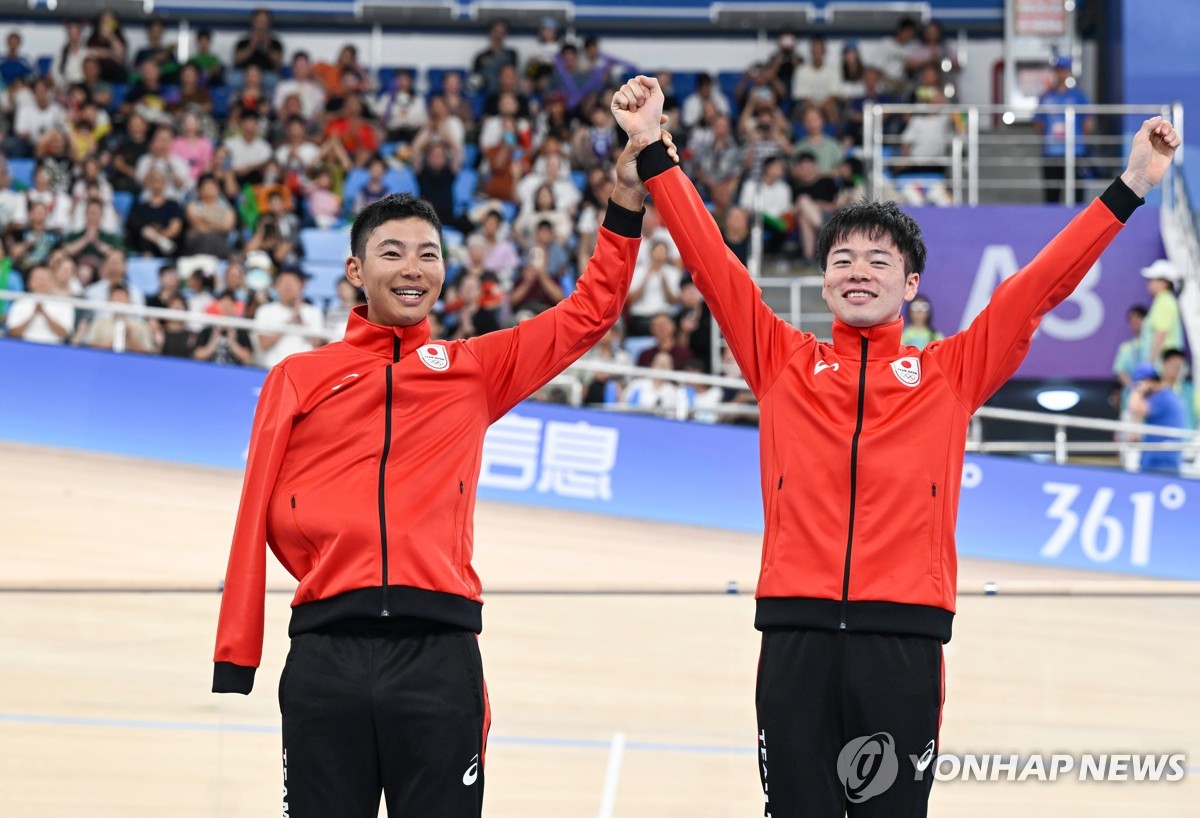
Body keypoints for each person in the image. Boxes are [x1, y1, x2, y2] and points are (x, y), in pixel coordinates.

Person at [611, 74, 1178, 817]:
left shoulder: (948, 373)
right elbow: (715, 268)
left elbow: (1036, 287)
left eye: (880, 261)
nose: (858, 271)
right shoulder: (785, 361)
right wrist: (652, 147)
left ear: (911, 284)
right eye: (843, 259)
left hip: (902, 640)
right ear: (822, 281)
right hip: (797, 635)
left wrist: (1132, 183)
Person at [211, 122, 675, 814]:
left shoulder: (473, 370)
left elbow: (590, 312)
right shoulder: (298, 377)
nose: (412, 268)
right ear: (355, 271)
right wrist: (236, 651)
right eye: (391, 252)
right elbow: (255, 514)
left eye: (428, 255)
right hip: (324, 655)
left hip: (440, 654)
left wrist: (624, 198)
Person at [1034, 56, 1094, 204]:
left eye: (1063, 70)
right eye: (1057, 70)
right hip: (1052, 153)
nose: (1060, 74)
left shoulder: (1079, 97)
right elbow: (1039, 123)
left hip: (1075, 152)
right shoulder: (1045, 97)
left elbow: (1088, 124)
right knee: (1051, 197)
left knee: (1077, 197)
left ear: (1068, 72)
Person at [1128, 363, 1188, 474]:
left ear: (1148, 382)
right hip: (1166, 460)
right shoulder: (1167, 395)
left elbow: (1135, 407)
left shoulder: (1161, 398)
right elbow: (1134, 434)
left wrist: (1138, 390)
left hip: (1159, 461)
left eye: (1138, 384)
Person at [1138, 258, 1184, 368]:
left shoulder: (1165, 301)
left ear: (1165, 282)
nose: (1149, 283)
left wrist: (1150, 363)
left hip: (1162, 365)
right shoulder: (1161, 301)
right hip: (1161, 364)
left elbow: (1161, 333)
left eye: (1152, 279)